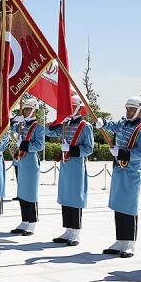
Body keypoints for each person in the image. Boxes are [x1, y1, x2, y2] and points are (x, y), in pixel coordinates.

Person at [96, 96, 141, 258]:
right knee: (118, 205)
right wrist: (104, 123)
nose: (128, 112)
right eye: (127, 109)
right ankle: (120, 240)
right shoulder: (123, 123)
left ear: (140, 111)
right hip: (119, 169)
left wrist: (122, 153)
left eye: (132, 109)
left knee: (129, 207)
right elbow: (113, 125)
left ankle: (130, 243)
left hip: (132, 171)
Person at [46, 95, 94, 245]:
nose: (71, 109)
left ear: (80, 108)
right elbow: (49, 132)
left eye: (73, 106)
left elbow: (89, 148)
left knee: (75, 198)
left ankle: (76, 232)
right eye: (69, 107)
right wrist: (59, 120)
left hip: (77, 165)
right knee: (65, 197)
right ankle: (68, 230)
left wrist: (71, 150)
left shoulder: (86, 126)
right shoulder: (65, 124)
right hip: (66, 166)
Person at [9, 98, 46, 235]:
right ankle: (24, 221)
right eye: (25, 109)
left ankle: (32, 222)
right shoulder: (21, 125)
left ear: (35, 110)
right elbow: (9, 129)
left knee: (30, 193)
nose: (25, 111)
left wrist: (23, 145)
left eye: (28, 109)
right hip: (21, 162)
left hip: (31, 161)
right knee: (22, 193)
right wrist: (14, 121)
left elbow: (39, 145)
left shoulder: (39, 127)